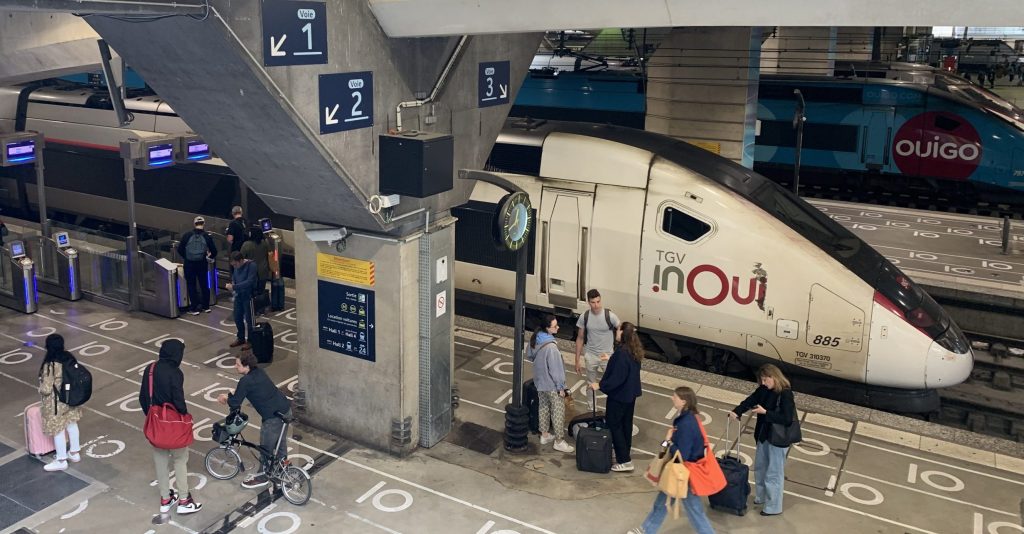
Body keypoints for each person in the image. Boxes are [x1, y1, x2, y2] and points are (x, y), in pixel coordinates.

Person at [628, 386, 715, 534]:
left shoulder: (686, 424)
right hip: (680, 472)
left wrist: (668, 441)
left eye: (674, 396)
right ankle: (646, 530)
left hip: (683, 474)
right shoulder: (688, 418)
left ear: (683, 401)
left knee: (695, 512)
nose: (671, 398)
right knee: (662, 504)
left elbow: (683, 454)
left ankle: (646, 530)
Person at [139, 339, 202, 514]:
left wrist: (152, 417)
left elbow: (143, 397)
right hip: (174, 424)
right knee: (180, 460)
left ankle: (165, 499)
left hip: (156, 423)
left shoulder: (150, 369)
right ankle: (184, 500)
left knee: (160, 462)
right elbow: (179, 401)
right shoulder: (175, 373)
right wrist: (185, 416)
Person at [217, 352, 292, 489]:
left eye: (238, 364)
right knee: (280, 442)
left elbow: (235, 403)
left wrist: (225, 397)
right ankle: (283, 469)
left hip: (272, 418)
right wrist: (235, 393)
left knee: (266, 449)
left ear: (246, 366)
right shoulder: (259, 372)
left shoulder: (245, 381)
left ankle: (262, 476)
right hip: (285, 409)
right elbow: (254, 389)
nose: (235, 366)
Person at [729, 364, 796, 517]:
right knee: (760, 468)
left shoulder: (785, 394)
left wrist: (766, 412)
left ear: (774, 377)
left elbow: (787, 419)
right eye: (762, 380)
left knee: (774, 473)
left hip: (778, 440)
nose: (764, 383)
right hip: (763, 436)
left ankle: (773, 506)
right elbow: (751, 400)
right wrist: (737, 411)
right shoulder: (764, 389)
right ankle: (762, 497)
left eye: (766, 380)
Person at [597, 321, 643, 472]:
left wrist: (600, 385)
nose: (616, 332)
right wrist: (611, 358)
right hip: (630, 395)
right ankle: (624, 454)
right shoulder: (633, 350)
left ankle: (624, 460)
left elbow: (617, 377)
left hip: (619, 396)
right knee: (625, 425)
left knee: (614, 426)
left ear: (623, 333)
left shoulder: (622, 354)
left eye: (618, 330)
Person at [37, 334, 83, 472]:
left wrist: (40, 386)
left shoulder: (50, 364)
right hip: (71, 399)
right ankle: (75, 453)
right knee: (72, 425)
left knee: (58, 430)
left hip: (56, 403)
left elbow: (46, 389)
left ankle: (61, 460)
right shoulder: (69, 357)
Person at [529, 315, 575, 454]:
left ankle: (544, 435)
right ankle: (559, 441)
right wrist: (561, 387)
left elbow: (529, 355)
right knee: (558, 411)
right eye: (555, 326)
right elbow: (556, 370)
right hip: (551, 385)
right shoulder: (551, 348)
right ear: (548, 328)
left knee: (543, 407)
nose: (558, 327)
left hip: (539, 381)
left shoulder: (536, 339)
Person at [574, 288, 620, 410]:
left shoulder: (610, 316)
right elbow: (580, 338)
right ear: (588, 302)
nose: (596, 305)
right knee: (590, 383)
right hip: (591, 355)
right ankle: (591, 409)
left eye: (598, 301)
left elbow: (621, 330)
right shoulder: (585, 317)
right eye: (593, 302)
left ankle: (613, 409)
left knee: (613, 383)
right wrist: (577, 360)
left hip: (607, 356)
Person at [176, 216, 217, 315]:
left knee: (191, 285)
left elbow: (180, 249)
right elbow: (214, 251)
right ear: (203, 224)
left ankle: (194, 308)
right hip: (202, 263)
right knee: (204, 284)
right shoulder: (207, 236)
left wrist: (187, 257)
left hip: (189, 264)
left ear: (194, 224)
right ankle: (206, 306)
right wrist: (207, 256)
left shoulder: (187, 235)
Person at [227, 251, 258, 349]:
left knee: (249, 320)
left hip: (248, 296)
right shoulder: (237, 267)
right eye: (233, 265)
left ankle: (251, 340)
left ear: (241, 260)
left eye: (236, 264)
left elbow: (250, 282)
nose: (235, 267)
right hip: (239, 296)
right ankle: (240, 338)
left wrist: (234, 287)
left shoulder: (251, 266)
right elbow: (235, 276)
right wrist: (233, 282)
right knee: (237, 317)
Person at [240, 225, 272, 297]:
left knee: (251, 293)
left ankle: (252, 307)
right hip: (263, 271)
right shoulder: (265, 243)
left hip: (251, 272)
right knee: (261, 291)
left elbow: (241, 258)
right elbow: (269, 253)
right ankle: (260, 306)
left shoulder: (246, 245)